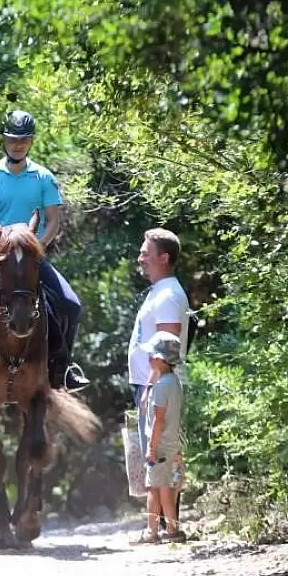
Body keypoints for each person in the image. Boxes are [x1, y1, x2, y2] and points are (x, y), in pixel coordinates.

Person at [0, 110, 87, 393]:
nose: (17, 145)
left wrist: (39, 247)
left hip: (31, 259)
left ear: (31, 141)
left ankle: (63, 369)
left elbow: (54, 218)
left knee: (71, 304)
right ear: (4, 140)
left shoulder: (43, 177)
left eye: (23, 140)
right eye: (12, 139)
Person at [127, 227, 191, 531]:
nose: (140, 258)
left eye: (146, 253)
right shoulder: (159, 291)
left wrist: (151, 386)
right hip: (149, 383)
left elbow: (168, 346)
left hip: (157, 386)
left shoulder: (167, 295)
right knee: (155, 456)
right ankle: (164, 524)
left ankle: (164, 527)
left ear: (164, 258)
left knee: (158, 456)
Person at [132, 331, 186, 544]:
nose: (148, 359)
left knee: (156, 489)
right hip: (172, 444)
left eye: (151, 356)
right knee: (165, 488)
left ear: (162, 361)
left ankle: (156, 531)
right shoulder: (173, 381)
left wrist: (151, 449)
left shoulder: (162, 386)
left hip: (160, 446)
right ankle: (168, 529)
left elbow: (158, 421)